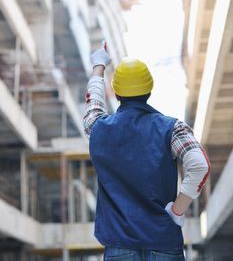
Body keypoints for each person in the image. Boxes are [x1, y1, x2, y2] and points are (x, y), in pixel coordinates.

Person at [83, 44, 210, 261]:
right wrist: (177, 211)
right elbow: (200, 166)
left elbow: (93, 103)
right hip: (164, 243)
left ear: (116, 92)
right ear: (150, 89)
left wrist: (99, 65)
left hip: (119, 246)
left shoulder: (98, 128)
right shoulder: (173, 129)